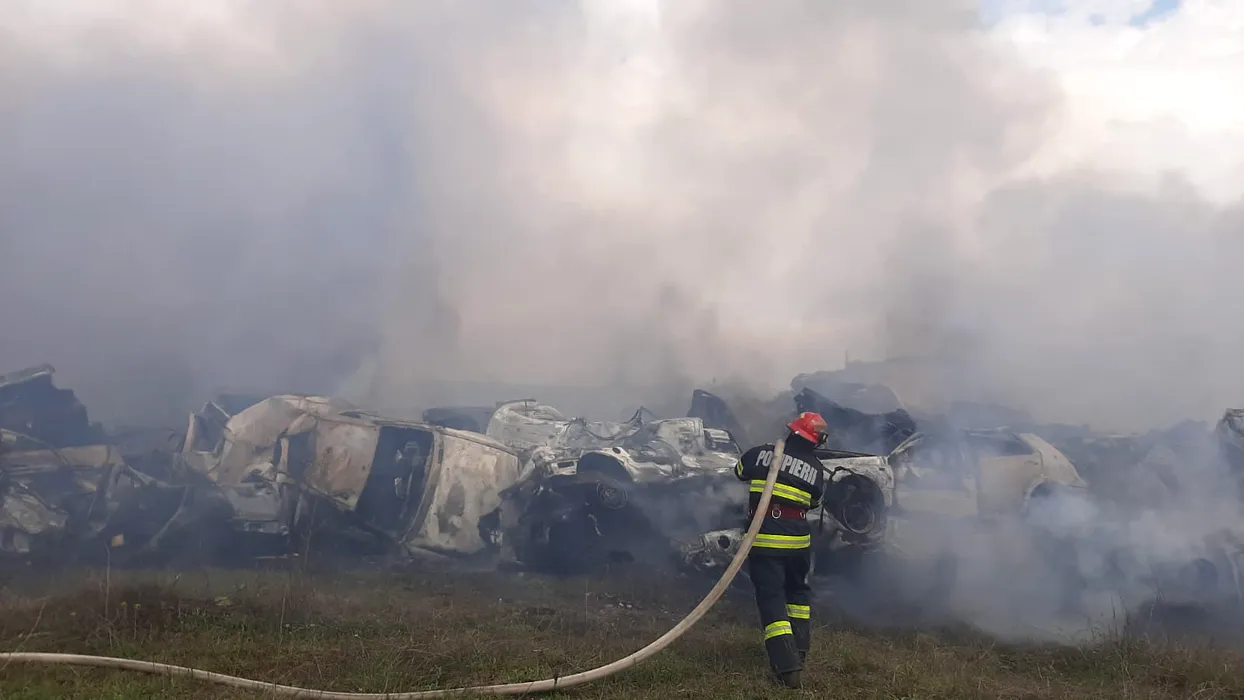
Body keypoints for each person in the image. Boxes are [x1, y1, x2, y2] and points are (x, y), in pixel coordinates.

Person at [733, 411, 829, 689]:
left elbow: (739, 471)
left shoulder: (761, 453)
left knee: (771, 597)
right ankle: (800, 651)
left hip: (766, 540)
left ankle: (787, 669)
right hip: (799, 543)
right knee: (798, 593)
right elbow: (814, 502)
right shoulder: (816, 469)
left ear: (791, 431)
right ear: (816, 441)